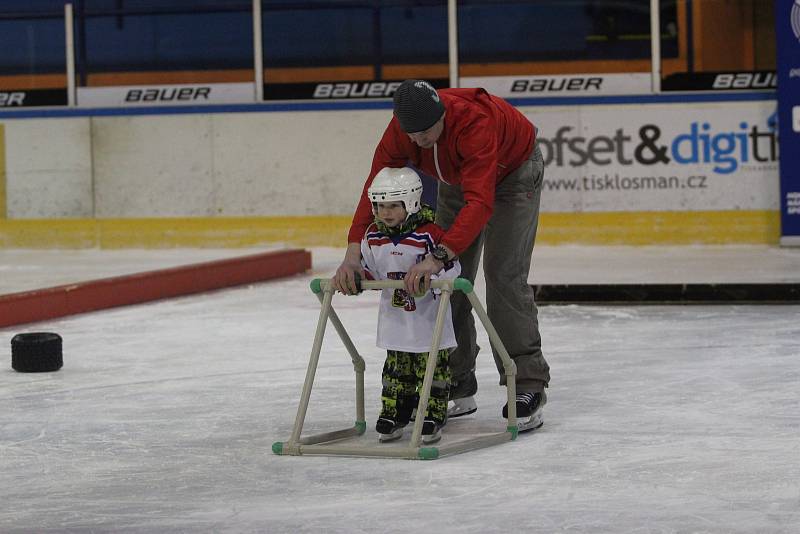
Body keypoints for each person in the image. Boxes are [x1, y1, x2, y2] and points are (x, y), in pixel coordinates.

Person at [333, 79, 549, 432]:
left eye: (425, 132)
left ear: (442, 116)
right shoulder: (401, 131)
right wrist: (353, 249)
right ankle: (457, 381)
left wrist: (438, 255)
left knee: (503, 277)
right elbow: (373, 187)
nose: (417, 140)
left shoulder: (473, 122)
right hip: (457, 178)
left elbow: (480, 203)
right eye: (411, 134)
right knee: (444, 285)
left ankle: (527, 383)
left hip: (513, 173)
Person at [356, 166, 461, 444]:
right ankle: (394, 413)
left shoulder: (430, 235)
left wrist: (435, 277)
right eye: (379, 206)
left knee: (432, 372)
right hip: (396, 325)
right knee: (395, 372)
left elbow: (452, 266)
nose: (385, 213)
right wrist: (357, 278)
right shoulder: (373, 237)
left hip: (429, 325)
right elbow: (369, 270)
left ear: (412, 202)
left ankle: (432, 414)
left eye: (393, 205)